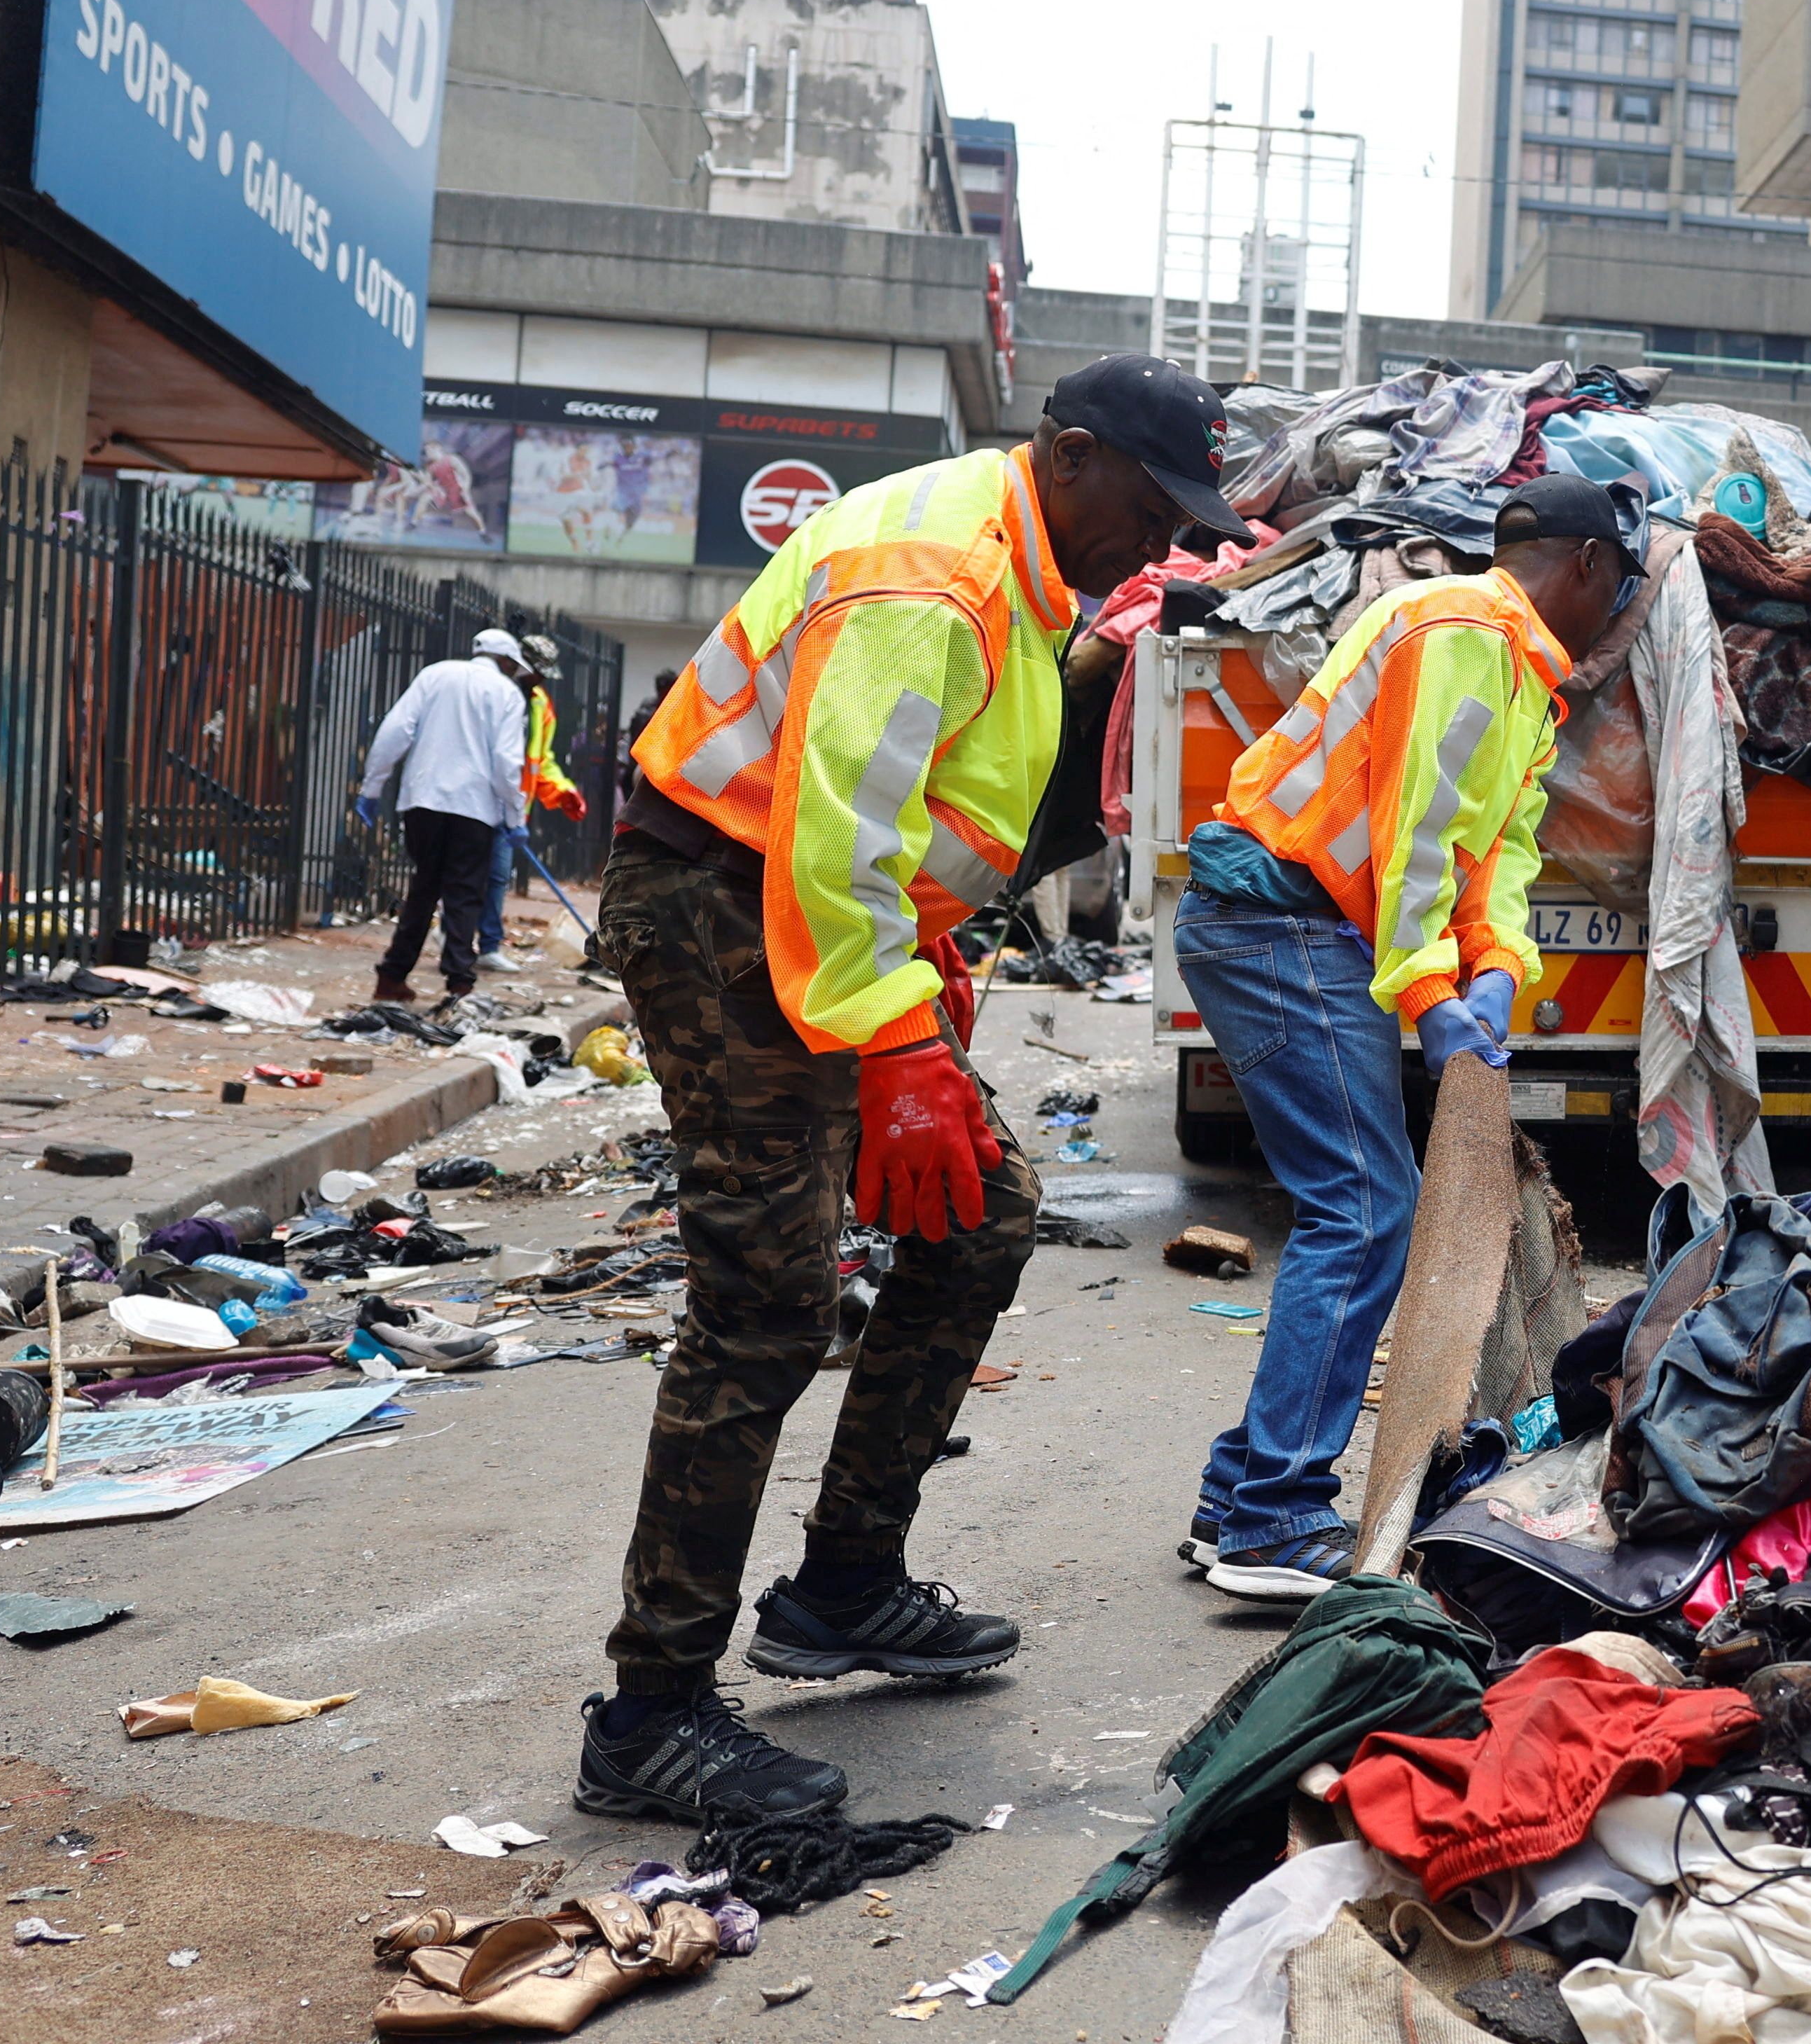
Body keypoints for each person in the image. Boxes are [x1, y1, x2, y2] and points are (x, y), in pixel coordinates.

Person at [576, 354, 1252, 1824]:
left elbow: (914, 823)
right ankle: (651, 1713)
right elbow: (836, 832)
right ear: (1067, 455)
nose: (1161, 543)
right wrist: (893, 1050)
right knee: (766, 1298)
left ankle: (845, 1585)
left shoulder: (1026, 567)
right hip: (719, 904)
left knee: (978, 1218)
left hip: (810, 921)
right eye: (1148, 505)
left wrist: (921, 984)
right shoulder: (929, 570)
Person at [1177, 471, 1642, 1602]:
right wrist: (1433, 993)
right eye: (1621, 584)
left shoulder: (1521, 672)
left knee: (1360, 1201)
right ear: (1586, 564)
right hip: (1276, 918)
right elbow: (1419, 833)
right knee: (1365, 1204)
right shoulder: (1460, 630)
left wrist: (1493, 970)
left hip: (1289, 924)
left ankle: (1236, 1499)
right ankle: (1275, 1518)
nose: (1621, 606)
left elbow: (1498, 853)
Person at [354, 628, 530, 1007]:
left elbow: (394, 732)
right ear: (507, 662)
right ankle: (459, 984)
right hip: (474, 807)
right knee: (464, 893)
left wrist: (372, 788)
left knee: (423, 888)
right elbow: (506, 762)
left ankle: (391, 978)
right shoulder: (506, 694)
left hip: (423, 800)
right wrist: (515, 816)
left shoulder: (434, 674)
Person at [478, 633, 587, 972]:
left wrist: (563, 790)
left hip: (513, 808)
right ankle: (459, 935)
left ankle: (488, 945)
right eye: (536, 672)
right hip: (477, 801)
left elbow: (542, 761)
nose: (539, 680)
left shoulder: (540, 703)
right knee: (469, 875)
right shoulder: (491, 692)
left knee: (497, 877)